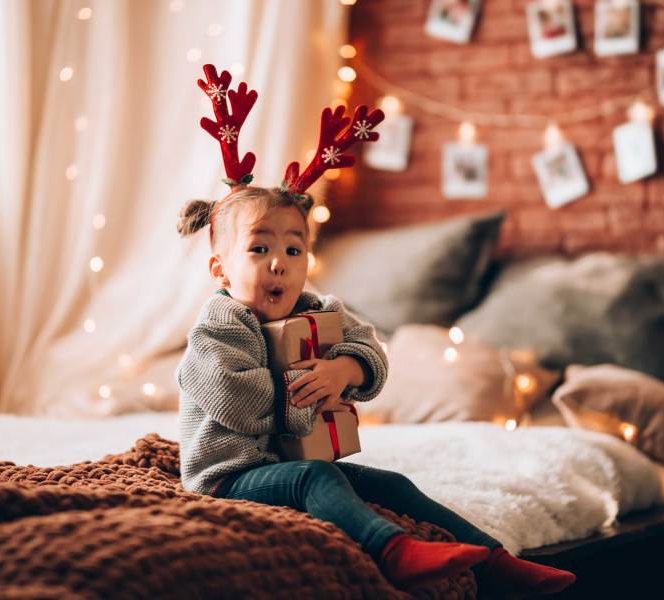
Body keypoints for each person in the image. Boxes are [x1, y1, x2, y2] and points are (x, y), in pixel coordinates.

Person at [175, 64, 577, 594]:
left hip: (291, 457)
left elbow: (367, 343)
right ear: (220, 269)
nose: (280, 263)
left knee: (391, 483)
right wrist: (307, 392)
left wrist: (345, 367)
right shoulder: (216, 329)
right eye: (259, 248)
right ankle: (393, 550)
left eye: (294, 249)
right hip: (231, 477)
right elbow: (238, 404)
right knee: (316, 477)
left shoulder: (314, 306)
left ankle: (494, 559)